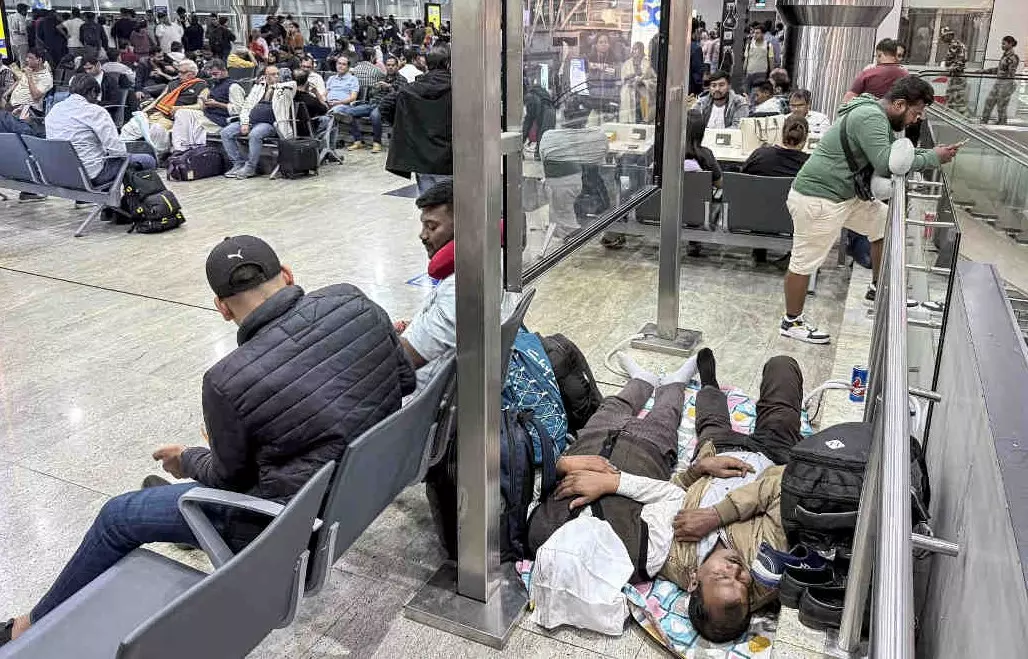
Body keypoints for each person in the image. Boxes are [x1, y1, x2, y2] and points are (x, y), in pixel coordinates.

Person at [0, 235, 416, 648]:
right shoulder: (353, 300)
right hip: (358, 488)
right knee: (190, 493)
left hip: (283, 527)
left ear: (221, 307)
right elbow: (405, 379)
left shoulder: (228, 380)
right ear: (287, 275)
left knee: (118, 516)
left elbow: (227, 480)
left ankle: (28, 626)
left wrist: (189, 458)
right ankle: (181, 503)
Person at [530, 348, 802, 643]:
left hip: (713, 454)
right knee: (782, 368)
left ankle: (705, 384)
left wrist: (697, 469)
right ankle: (707, 381)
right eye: (742, 583)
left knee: (708, 420)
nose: (736, 570)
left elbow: (674, 491)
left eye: (723, 576)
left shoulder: (668, 556)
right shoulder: (768, 566)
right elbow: (783, 485)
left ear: (694, 582)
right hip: (771, 455)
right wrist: (716, 515)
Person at [780, 76, 962, 344]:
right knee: (804, 262)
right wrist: (933, 156)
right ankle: (791, 322)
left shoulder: (872, 113)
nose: (916, 120)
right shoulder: (870, 117)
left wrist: (927, 154)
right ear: (900, 104)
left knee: (884, 221)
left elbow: (889, 155)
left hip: (844, 196)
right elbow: (887, 162)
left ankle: (878, 288)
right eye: (916, 112)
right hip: (819, 199)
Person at [395, 181, 458, 387]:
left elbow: (405, 360)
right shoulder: (486, 261)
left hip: (414, 399)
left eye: (432, 227)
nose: (422, 235)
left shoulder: (462, 289)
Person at [45, 74, 156, 187]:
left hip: (60, 174)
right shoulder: (96, 112)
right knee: (148, 160)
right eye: (96, 97)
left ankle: (84, 199)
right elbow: (118, 151)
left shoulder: (56, 109)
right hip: (91, 175)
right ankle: (134, 201)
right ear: (93, 91)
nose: (96, 101)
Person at [380, 44, 452, 194]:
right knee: (454, 209)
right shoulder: (460, 90)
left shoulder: (410, 89)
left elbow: (385, 106)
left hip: (421, 158)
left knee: (430, 208)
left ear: (426, 63)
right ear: (449, 63)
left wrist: (403, 124)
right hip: (450, 158)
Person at [221, 65, 295, 179]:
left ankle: (250, 168)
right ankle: (238, 164)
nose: (276, 76)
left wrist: (273, 86)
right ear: (265, 76)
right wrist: (245, 122)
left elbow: (292, 84)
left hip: (270, 124)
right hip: (251, 121)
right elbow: (247, 105)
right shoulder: (258, 87)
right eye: (272, 74)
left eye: (277, 74)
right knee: (225, 133)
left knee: (255, 135)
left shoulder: (286, 88)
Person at [681, 108, 723, 257]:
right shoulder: (706, 155)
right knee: (701, 198)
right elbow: (719, 184)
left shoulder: (666, 152)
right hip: (699, 212)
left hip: (670, 207)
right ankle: (694, 241)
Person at [338, 49, 386, 152]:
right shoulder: (376, 70)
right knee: (371, 114)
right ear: (373, 57)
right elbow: (384, 78)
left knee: (373, 115)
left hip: (363, 101)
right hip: (370, 101)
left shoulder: (354, 70)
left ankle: (369, 141)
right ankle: (360, 141)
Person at [743, 115, 810, 177]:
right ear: (806, 137)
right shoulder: (810, 164)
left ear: (783, 133)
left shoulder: (760, 155)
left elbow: (743, 177)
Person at [843, 38, 906, 103]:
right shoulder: (905, 74)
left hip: (867, 110)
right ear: (894, 54)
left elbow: (848, 99)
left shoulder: (868, 73)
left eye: (900, 56)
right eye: (898, 55)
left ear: (879, 54)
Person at [80, 55, 136, 122]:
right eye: (85, 69)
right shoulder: (84, 79)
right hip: (86, 111)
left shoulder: (110, 81)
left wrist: (96, 103)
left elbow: (114, 102)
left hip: (102, 112)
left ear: (97, 65)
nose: (88, 72)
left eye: (90, 68)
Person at [980, 36, 1020, 125]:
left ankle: (1002, 124)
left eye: (1004, 44)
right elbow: (1000, 69)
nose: (1002, 46)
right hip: (999, 82)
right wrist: (985, 71)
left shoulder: (1013, 57)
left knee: (1001, 106)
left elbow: (1010, 74)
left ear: (1010, 44)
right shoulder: (1005, 56)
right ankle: (984, 121)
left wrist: (1007, 85)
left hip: (1006, 84)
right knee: (989, 101)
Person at [6, 50, 53, 121]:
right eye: (27, 57)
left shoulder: (46, 78)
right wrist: (5, 95)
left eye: (30, 58)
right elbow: (19, 82)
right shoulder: (29, 70)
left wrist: (29, 77)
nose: (26, 60)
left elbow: (36, 96)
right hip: (12, 104)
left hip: (27, 108)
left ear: (39, 60)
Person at [619, 41, 656, 123]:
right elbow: (622, 80)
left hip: (643, 95)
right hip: (629, 94)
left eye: (637, 49)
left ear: (642, 50)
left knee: (642, 118)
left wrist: (643, 82)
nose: (635, 51)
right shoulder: (626, 64)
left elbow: (654, 80)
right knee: (629, 119)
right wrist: (629, 78)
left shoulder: (647, 64)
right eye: (634, 49)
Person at [939, 27, 968, 115]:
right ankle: (950, 116)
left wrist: (946, 69)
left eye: (944, 36)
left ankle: (964, 119)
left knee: (957, 100)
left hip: (957, 77)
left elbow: (957, 63)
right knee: (953, 99)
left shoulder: (954, 45)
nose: (943, 39)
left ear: (949, 35)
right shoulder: (959, 44)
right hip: (957, 76)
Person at [743, 23, 774, 99]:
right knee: (746, 94)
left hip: (761, 74)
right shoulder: (749, 44)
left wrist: (772, 75)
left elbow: (771, 60)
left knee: (756, 95)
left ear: (763, 34)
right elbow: (746, 59)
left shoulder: (768, 45)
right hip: (749, 73)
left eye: (757, 33)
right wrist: (744, 71)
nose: (754, 35)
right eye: (754, 33)